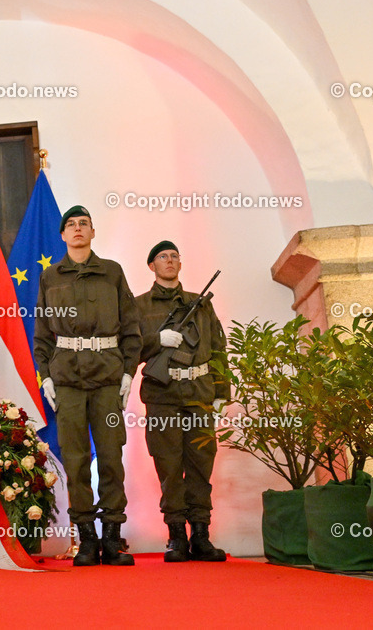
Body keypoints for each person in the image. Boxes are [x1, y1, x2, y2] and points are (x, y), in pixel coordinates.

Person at [33, 205, 141, 567]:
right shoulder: (50, 278)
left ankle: (112, 537)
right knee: (76, 458)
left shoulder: (112, 273)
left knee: (111, 456)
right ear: (63, 235)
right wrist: (46, 376)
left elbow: (130, 326)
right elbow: (42, 334)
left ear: (92, 233)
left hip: (108, 377)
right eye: (71, 225)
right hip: (68, 380)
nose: (78, 229)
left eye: (84, 224)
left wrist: (129, 371)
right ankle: (87, 539)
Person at [136, 241, 229, 562]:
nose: (170, 260)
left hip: (199, 393)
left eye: (175, 256)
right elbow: (128, 350)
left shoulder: (200, 303)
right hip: (163, 395)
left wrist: (221, 391)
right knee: (169, 464)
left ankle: (201, 534)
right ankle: (176, 535)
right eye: (163, 256)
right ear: (151, 265)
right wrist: (155, 341)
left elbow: (218, 347)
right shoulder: (139, 306)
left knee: (201, 463)